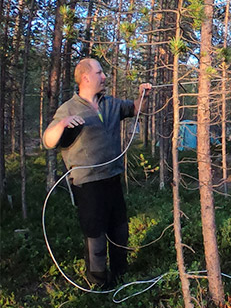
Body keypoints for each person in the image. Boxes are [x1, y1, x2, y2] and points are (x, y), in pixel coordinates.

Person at [41, 58, 151, 288]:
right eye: (100, 73)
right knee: (95, 236)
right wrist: (62, 125)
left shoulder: (109, 103)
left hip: (112, 178)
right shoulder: (68, 108)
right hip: (88, 184)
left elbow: (135, 108)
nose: (104, 77)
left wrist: (142, 95)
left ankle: (121, 276)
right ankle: (98, 284)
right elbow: (48, 140)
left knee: (120, 230)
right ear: (86, 78)